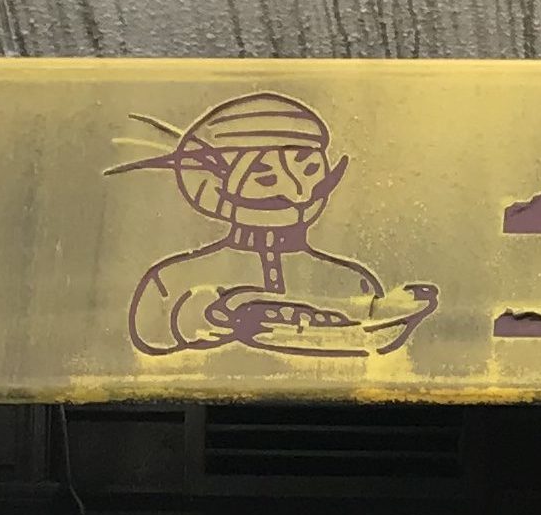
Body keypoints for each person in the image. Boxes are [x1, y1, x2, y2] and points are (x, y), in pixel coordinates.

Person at [110, 91, 435, 356]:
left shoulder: (354, 281)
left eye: (309, 172)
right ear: (216, 186)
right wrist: (197, 316)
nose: (296, 192)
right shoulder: (171, 279)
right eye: (265, 177)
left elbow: (372, 342)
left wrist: (384, 312)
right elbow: (151, 335)